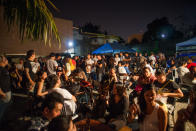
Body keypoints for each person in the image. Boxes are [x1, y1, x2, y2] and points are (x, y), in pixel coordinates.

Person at [0, 55, 12, 124]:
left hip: (7, 91)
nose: (7, 60)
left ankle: (3, 120)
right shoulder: (0, 69)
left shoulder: (4, 68)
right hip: (4, 92)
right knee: (1, 108)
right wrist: (1, 92)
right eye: (6, 59)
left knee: (6, 106)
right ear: (2, 61)